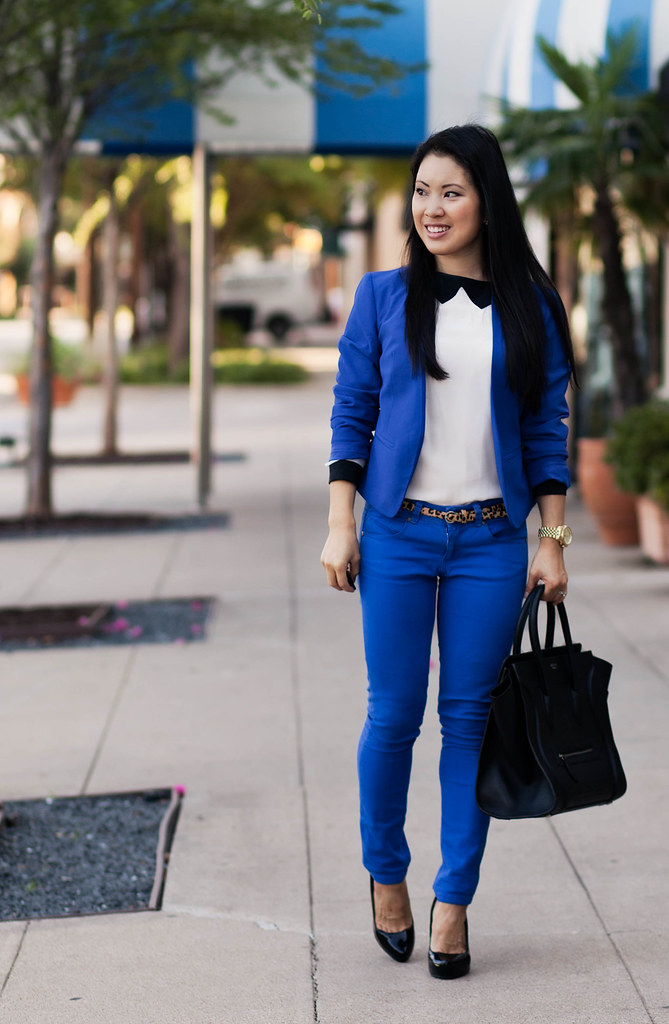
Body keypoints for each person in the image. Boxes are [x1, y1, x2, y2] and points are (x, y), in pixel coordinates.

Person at [320, 124, 576, 979]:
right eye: (423, 191)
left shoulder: (531, 306)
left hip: (491, 544)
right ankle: (384, 874)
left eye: (452, 192)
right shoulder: (382, 297)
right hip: (396, 533)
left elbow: (545, 430)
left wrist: (553, 538)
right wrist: (339, 522)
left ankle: (453, 899)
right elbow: (351, 413)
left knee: (468, 721)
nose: (433, 208)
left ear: (486, 201)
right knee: (392, 715)